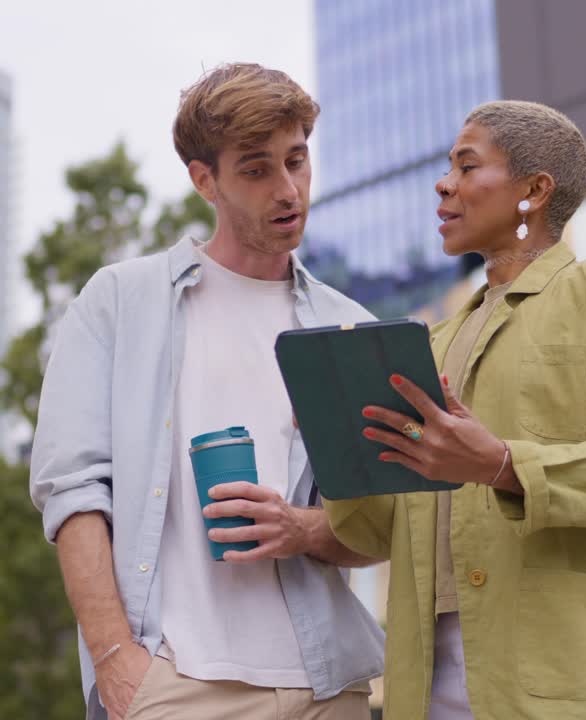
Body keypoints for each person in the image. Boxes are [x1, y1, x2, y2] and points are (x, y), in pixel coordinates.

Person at [30, 63, 384, 720]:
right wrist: (114, 658)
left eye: (297, 160)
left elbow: (379, 534)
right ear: (204, 180)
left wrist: (302, 528)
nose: (288, 189)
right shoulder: (120, 302)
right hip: (175, 682)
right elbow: (72, 493)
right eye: (256, 170)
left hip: (329, 684)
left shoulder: (350, 329)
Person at [326, 100, 586, 719]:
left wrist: (502, 465)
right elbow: (370, 530)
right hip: (427, 690)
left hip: (569, 681)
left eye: (467, 167)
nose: (443, 184)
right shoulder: (428, 345)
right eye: (448, 168)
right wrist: (336, 437)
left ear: (534, 190)